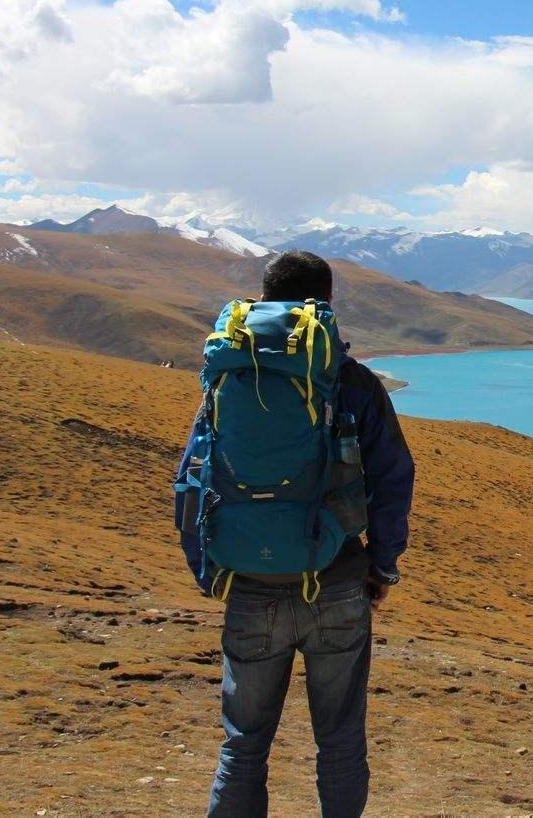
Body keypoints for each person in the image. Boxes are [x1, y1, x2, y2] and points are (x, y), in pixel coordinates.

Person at [173, 250, 416, 817]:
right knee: (339, 741)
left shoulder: (227, 378)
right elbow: (392, 478)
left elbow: (190, 478)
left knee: (244, 743)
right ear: (324, 303)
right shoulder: (350, 380)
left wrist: (209, 568)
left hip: (250, 586)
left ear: (263, 296)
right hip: (336, 583)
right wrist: (382, 568)